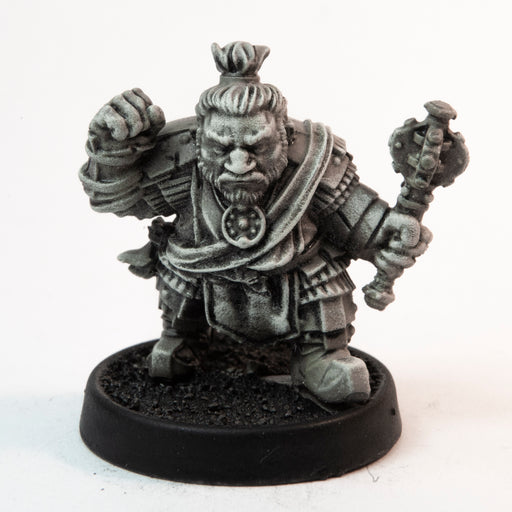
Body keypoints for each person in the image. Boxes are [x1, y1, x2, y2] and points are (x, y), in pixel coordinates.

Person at [80, 41, 430, 403]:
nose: (238, 164)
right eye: (221, 148)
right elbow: (116, 199)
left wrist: (390, 231)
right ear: (200, 142)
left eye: (256, 147)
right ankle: (181, 338)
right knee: (177, 263)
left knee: (322, 272)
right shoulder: (184, 162)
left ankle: (321, 355)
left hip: (293, 273)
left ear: (284, 138)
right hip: (205, 274)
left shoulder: (312, 163)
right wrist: (112, 153)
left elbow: (358, 223)